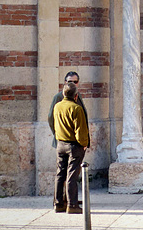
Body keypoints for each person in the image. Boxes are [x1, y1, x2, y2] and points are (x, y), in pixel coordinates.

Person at [53, 81, 89, 214]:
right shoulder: (76, 108)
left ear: (63, 94)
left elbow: (54, 123)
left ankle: (58, 203)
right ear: (76, 96)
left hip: (60, 144)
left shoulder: (57, 106)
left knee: (60, 174)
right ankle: (72, 204)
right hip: (74, 145)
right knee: (71, 175)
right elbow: (80, 130)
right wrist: (84, 143)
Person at [48, 71, 90, 148]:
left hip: (78, 141)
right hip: (64, 141)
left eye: (75, 81)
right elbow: (51, 118)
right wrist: (58, 135)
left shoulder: (78, 95)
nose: (73, 83)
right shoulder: (58, 97)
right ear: (65, 82)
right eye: (70, 81)